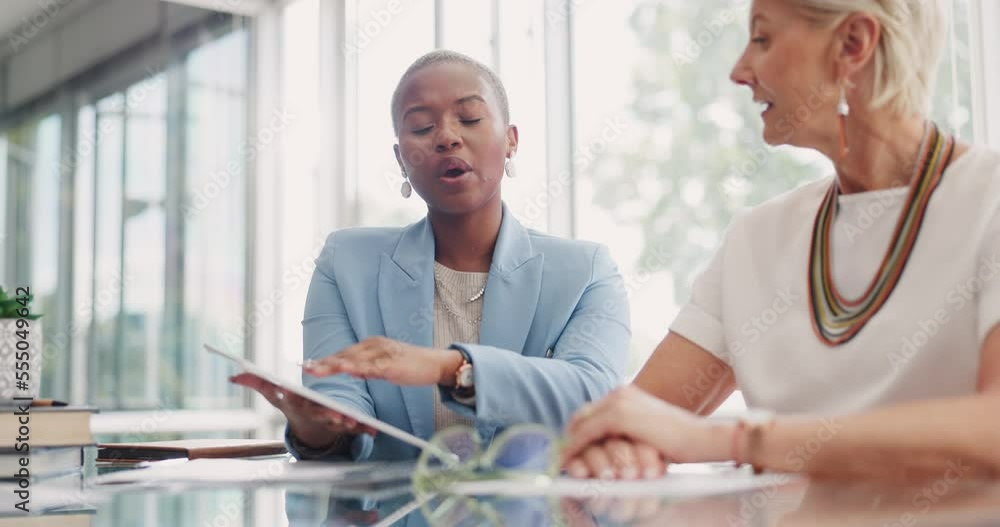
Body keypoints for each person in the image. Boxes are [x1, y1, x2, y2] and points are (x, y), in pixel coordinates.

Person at [562, 0, 1000, 481]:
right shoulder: (756, 239)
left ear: (853, 44)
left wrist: (735, 441)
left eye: (763, 38)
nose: (738, 71)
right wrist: (616, 448)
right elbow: (635, 422)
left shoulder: (989, 198)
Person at [232, 50, 631, 462]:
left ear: (511, 140)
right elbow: (339, 408)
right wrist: (318, 431)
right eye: (422, 126)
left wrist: (451, 368)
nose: (446, 137)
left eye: (470, 118)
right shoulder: (346, 262)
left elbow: (594, 393)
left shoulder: (585, 271)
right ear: (401, 159)